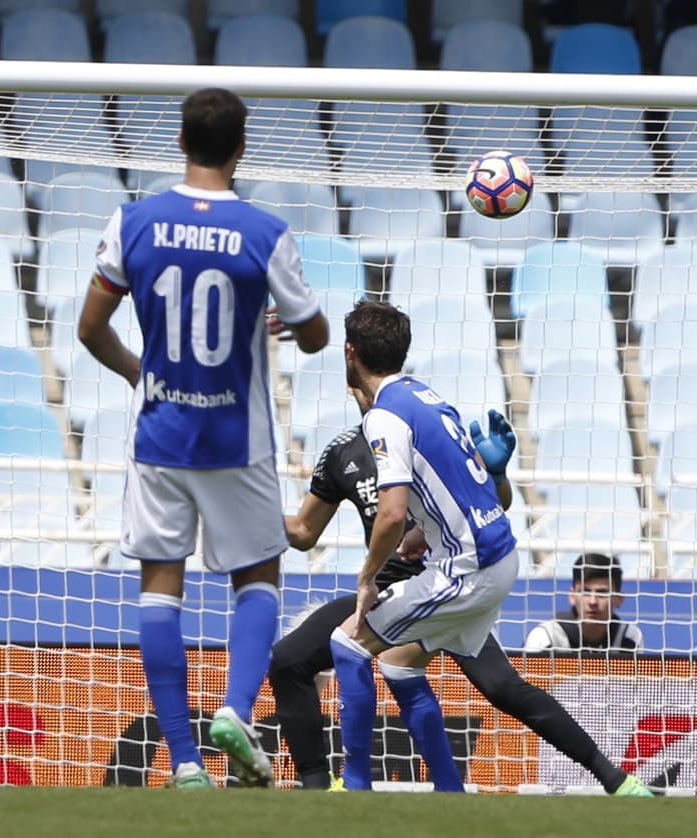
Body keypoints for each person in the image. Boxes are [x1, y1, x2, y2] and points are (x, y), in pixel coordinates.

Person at [78, 87, 329, 789]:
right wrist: (285, 318)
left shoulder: (133, 221)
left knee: (161, 586)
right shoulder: (264, 231)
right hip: (235, 440)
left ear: (181, 142)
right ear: (241, 146)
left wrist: (142, 375)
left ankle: (186, 763)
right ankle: (237, 710)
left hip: (159, 435)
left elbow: (90, 328)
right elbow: (315, 336)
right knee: (258, 577)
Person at [270, 409, 653, 795]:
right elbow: (304, 532)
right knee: (289, 660)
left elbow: (493, 505)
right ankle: (319, 793)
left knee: (502, 688)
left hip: (448, 587)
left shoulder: (433, 438)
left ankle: (614, 779)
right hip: (389, 590)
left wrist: (498, 476)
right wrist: (254, 509)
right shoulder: (342, 452)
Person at [327, 300, 520, 793]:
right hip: (498, 553)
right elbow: (466, 486)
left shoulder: (384, 416)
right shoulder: (426, 394)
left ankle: (355, 788)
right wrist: (423, 531)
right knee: (399, 661)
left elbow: (390, 512)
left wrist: (368, 576)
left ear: (350, 352)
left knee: (347, 643)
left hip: (467, 568)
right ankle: (450, 792)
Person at [524, 553, 643, 652]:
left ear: (619, 599)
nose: (592, 601)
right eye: (585, 592)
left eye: (602, 593)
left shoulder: (630, 638)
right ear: (572, 596)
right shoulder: (545, 637)